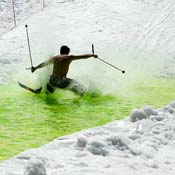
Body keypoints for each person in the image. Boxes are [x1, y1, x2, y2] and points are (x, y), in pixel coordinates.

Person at [31, 45, 98, 95]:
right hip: (62, 81)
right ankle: (85, 94)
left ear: (60, 51)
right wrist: (92, 55)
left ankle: (44, 90)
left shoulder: (55, 58)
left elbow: (44, 64)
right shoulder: (69, 57)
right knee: (79, 88)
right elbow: (83, 56)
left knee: (49, 82)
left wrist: (35, 68)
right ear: (68, 52)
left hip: (53, 81)